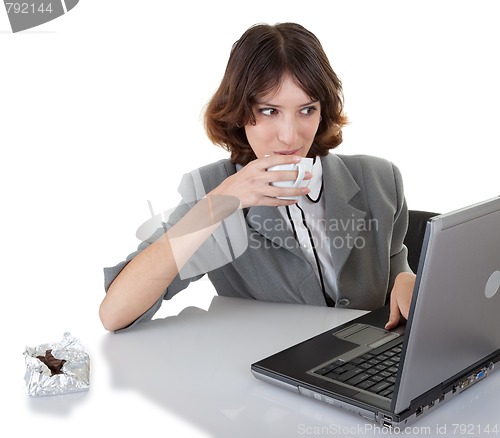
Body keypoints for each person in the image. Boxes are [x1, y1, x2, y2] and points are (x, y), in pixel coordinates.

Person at [99, 22, 415, 332]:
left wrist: (406, 280)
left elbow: (394, 291)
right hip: (267, 375)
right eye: (269, 111)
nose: (290, 137)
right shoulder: (214, 188)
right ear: (240, 111)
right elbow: (115, 314)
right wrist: (219, 204)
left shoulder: (379, 179)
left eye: (307, 110)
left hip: (366, 373)